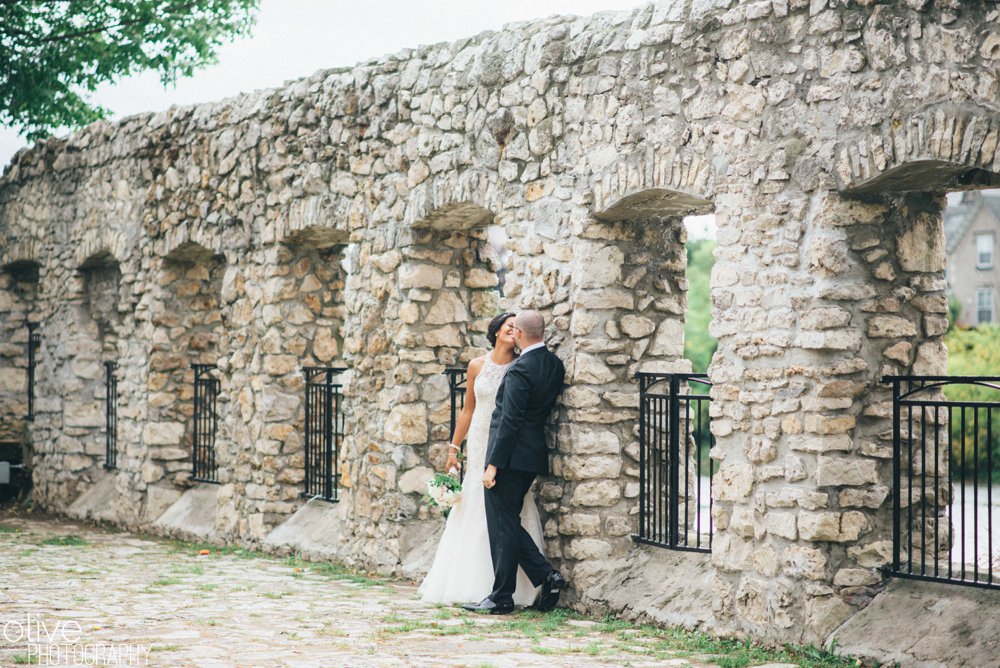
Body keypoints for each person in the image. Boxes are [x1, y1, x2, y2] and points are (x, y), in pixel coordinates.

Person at [418, 312, 545, 606]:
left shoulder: (521, 365)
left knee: (506, 511)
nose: (513, 330)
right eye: (508, 326)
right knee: (475, 505)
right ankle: (470, 581)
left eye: (517, 327)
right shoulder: (477, 365)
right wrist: (453, 448)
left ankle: (515, 587)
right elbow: (468, 410)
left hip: (505, 443)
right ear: (497, 331)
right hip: (478, 441)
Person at [463, 310, 566, 615]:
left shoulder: (520, 369)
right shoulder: (553, 364)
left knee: (502, 523)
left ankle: (507, 594)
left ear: (519, 334)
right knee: (507, 521)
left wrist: (492, 464)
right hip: (532, 455)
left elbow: (509, 420)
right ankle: (534, 581)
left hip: (509, 458)